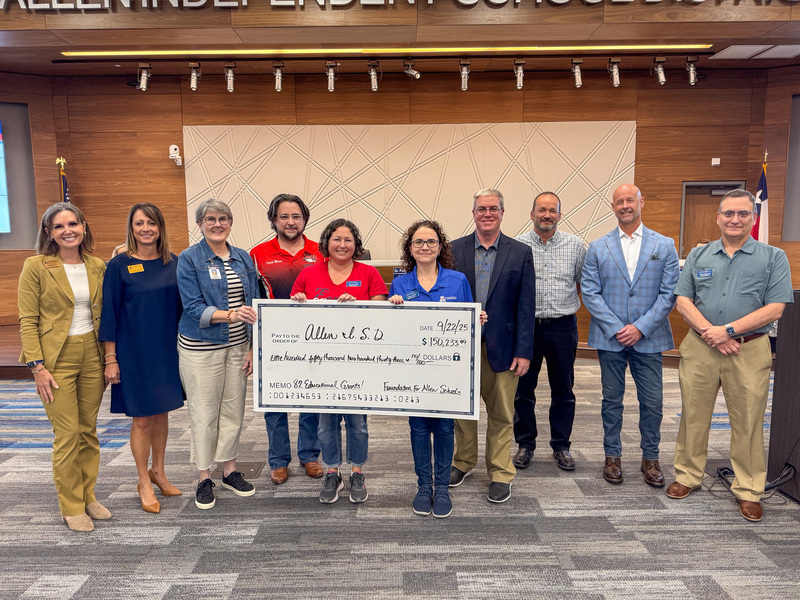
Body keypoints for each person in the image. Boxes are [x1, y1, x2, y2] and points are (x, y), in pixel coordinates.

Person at [667, 189, 793, 522]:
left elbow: (775, 308)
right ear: (718, 217)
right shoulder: (699, 255)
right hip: (701, 346)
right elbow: (683, 300)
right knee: (693, 415)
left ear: (753, 218)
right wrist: (712, 333)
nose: (735, 219)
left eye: (742, 214)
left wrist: (729, 331)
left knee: (749, 421)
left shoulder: (773, 257)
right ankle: (687, 475)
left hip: (748, 349)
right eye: (728, 213)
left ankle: (749, 489)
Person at [18, 202, 111, 532]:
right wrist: (36, 366)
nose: (67, 231)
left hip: (92, 354)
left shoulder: (97, 265)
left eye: (73, 224)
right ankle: (71, 505)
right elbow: (27, 320)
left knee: (88, 431)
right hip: (55, 358)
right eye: (59, 226)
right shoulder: (36, 266)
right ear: (49, 232)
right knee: (68, 434)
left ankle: (88, 496)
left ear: (84, 227)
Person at [581, 183, 679, 487]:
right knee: (611, 399)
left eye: (630, 200)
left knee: (653, 401)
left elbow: (669, 293)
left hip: (649, 337)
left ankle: (651, 458)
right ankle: (612, 456)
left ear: (641, 202)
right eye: (619, 201)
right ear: (613, 207)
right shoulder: (598, 246)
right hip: (609, 337)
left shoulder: (665, 245)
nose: (625, 205)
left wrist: (640, 327)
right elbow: (590, 292)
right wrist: (616, 327)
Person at [389, 220, 486, 519]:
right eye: (418, 242)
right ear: (410, 248)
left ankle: (442, 488)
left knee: (444, 428)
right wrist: (392, 308)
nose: (425, 247)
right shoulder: (401, 285)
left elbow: (469, 328)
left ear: (440, 246)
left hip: (448, 372)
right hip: (413, 373)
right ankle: (423, 487)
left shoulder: (457, 281)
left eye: (431, 241)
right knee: (418, 428)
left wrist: (477, 321)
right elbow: (391, 333)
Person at [290, 218, 388, 504]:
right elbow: (291, 315)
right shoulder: (309, 274)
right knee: (325, 424)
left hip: (358, 365)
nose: (342, 244)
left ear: (356, 245)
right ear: (326, 243)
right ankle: (332, 471)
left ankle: (357, 472)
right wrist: (297, 301)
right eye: (337, 239)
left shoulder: (368, 273)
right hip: (321, 366)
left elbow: (383, 312)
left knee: (358, 424)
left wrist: (360, 306)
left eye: (348, 239)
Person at [448, 188, 536, 504]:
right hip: (462, 348)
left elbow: (526, 306)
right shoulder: (453, 250)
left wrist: (524, 351)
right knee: (463, 411)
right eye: (482, 209)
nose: (487, 214)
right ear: (473, 213)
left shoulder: (520, 252)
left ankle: (500, 473)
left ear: (502, 213)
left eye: (493, 209)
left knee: (501, 413)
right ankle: (463, 462)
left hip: (505, 348)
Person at [99, 203, 184, 515]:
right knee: (143, 418)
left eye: (151, 223)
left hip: (167, 350)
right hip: (133, 352)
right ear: (131, 228)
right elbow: (109, 313)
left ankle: (158, 471)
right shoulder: (119, 265)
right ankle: (143, 481)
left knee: (162, 413)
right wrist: (111, 358)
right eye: (139, 223)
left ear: (160, 227)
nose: (146, 229)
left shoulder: (173, 262)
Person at [177, 198, 260, 510]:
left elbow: (253, 303)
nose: (217, 224)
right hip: (202, 347)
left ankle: (229, 470)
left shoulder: (243, 257)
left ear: (230, 223)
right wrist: (230, 315)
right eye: (210, 219)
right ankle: (204, 476)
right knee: (204, 412)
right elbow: (193, 306)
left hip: (237, 346)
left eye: (223, 218)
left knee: (233, 410)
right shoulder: (189, 258)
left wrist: (251, 347)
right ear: (200, 224)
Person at [249, 194, 323, 485]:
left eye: (296, 216)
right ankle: (278, 460)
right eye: (284, 216)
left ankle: (310, 455)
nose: (290, 222)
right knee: (274, 401)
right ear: (273, 220)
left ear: (305, 219)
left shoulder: (321, 252)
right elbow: (251, 298)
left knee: (312, 398)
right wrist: (252, 345)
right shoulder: (256, 254)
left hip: (315, 337)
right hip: (273, 339)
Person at [513, 192, 586, 472]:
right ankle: (525, 444)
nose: (547, 215)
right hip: (527, 328)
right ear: (531, 214)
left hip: (562, 326)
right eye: (541, 210)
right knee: (523, 390)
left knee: (563, 389)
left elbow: (583, 283)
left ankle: (561, 446)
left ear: (559, 214)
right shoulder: (517, 245)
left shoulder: (576, 246)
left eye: (552, 210)